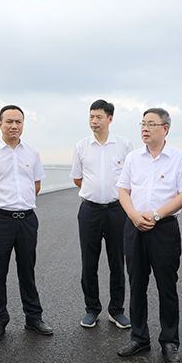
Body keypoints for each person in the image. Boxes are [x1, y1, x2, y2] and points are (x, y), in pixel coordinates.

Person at [115, 107, 182, 363]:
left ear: (165, 129)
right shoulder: (133, 158)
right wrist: (133, 216)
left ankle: (170, 341)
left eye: (151, 124)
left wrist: (156, 215)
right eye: (143, 124)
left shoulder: (179, 158)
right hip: (135, 227)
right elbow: (123, 190)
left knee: (167, 286)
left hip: (164, 229)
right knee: (137, 284)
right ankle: (139, 337)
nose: (145, 128)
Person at [0, 104, 53, 343]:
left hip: (27, 220)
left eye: (18, 121)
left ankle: (33, 318)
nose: (14, 126)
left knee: (27, 270)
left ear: (23, 125)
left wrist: (21, 206)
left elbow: (36, 185)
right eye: (9, 121)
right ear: (0, 124)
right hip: (0, 221)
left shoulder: (32, 152)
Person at [70, 99, 133, 329]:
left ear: (110, 119)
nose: (94, 121)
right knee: (89, 263)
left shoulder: (124, 145)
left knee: (118, 262)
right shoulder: (81, 146)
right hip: (90, 210)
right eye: (91, 116)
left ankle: (116, 310)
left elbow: (131, 179)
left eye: (98, 117)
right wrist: (95, 191)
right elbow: (78, 179)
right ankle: (92, 309)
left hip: (117, 211)